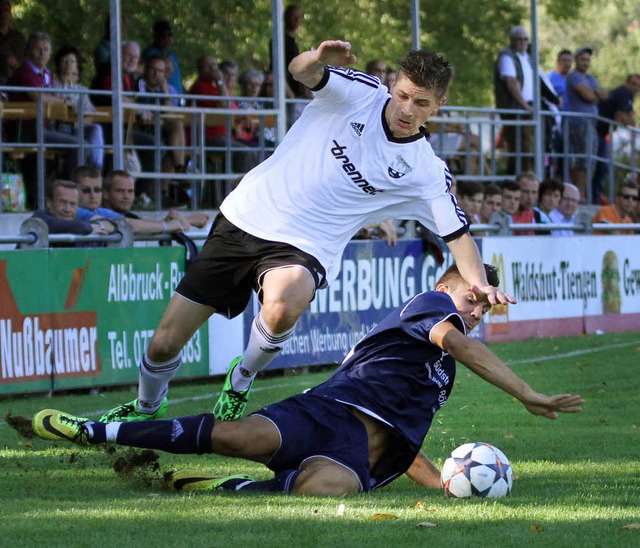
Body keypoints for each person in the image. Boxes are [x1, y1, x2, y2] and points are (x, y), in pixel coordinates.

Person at [95, 40, 514, 428]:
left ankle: (241, 380)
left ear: (438, 106)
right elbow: (301, 72)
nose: (406, 109)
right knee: (165, 344)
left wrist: (479, 287)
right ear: (392, 85)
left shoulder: (425, 170)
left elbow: (459, 237)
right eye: (402, 95)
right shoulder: (360, 93)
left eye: (421, 103)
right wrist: (316, 56)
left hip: (307, 246)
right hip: (247, 216)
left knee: (286, 300)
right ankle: (147, 407)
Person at [32, 263, 583, 496]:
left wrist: (443, 482)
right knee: (235, 437)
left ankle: (228, 489)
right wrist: (527, 393)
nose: (475, 310)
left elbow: (405, 439)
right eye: (472, 296)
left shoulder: (440, 376)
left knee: (323, 490)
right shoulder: (431, 306)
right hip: (327, 411)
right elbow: (461, 342)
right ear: (448, 286)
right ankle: (92, 432)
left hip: (355, 457)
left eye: (482, 306)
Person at [8, 32, 85, 206]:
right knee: (79, 144)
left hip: (45, 128)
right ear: (28, 51)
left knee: (84, 141)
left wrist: (60, 102)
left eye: (46, 49)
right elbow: (41, 97)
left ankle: (66, 193)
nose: (42, 53)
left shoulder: (48, 74)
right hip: (26, 130)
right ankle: (70, 197)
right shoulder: (25, 72)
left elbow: (52, 97)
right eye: (38, 49)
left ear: (50, 53)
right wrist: (65, 102)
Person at [493, 26, 558, 174]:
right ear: (512, 41)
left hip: (528, 109)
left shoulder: (527, 58)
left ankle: (529, 181)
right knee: (522, 150)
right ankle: (519, 183)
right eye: (519, 39)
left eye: (525, 39)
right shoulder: (507, 57)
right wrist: (524, 105)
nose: (523, 42)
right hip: (517, 110)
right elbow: (511, 82)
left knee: (531, 150)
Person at [188, 55, 260, 176]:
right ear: (200, 69)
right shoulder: (201, 86)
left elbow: (227, 108)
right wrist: (220, 81)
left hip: (225, 136)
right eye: (208, 66)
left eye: (214, 65)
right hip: (209, 138)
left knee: (259, 149)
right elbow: (224, 105)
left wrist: (240, 117)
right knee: (245, 153)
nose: (212, 69)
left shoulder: (215, 87)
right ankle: (241, 190)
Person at [135, 55, 187, 205]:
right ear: (146, 69)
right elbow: (141, 104)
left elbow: (172, 113)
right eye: (153, 69)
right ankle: (180, 169)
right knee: (169, 143)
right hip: (142, 127)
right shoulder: (140, 83)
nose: (156, 74)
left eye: (160, 71)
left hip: (158, 128)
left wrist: (164, 90)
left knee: (173, 145)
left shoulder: (165, 89)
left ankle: (162, 193)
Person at [102, 169, 209, 235]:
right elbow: (127, 224)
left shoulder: (132, 216)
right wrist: (188, 220)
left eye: (130, 191)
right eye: (120, 191)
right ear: (105, 193)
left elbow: (144, 226)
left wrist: (168, 222)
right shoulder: (97, 214)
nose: (126, 196)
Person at [566, 47, 608, 202]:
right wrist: (594, 94)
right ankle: (580, 195)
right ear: (576, 60)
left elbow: (604, 95)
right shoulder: (574, 77)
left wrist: (594, 93)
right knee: (583, 160)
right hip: (579, 123)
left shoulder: (590, 78)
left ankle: (583, 193)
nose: (585, 62)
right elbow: (589, 96)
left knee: (590, 161)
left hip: (591, 124)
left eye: (588, 60)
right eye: (583, 59)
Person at [53, 45, 104, 171]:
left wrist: (79, 120)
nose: (69, 64)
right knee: (83, 143)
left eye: (72, 61)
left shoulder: (81, 90)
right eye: (65, 61)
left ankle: (96, 168)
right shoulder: (52, 86)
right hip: (60, 128)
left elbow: (91, 113)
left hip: (78, 127)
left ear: (76, 65)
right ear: (58, 63)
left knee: (96, 129)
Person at [592, 74, 640, 205]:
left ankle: (596, 196)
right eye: (634, 84)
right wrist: (629, 122)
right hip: (598, 131)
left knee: (602, 167)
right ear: (627, 83)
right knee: (598, 166)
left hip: (602, 133)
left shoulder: (627, 95)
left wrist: (630, 119)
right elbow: (621, 117)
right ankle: (594, 197)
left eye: (638, 86)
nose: (636, 88)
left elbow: (630, 115)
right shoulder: (623, 93)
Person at [26, 179, 113, 249]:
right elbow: (66, 226)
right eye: (62, 202)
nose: (67, 209)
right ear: (49, 202)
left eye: (73, 204)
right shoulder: (40, 217)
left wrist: (99, 226)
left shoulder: (77, 218)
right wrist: (91, 228)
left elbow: (114, 225)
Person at [547, 49, 573, 178]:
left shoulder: (574, 79)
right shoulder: (551, 77)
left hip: (572, 122)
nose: (567, 63)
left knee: (568, 155)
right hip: (556, 121)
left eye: (569, 60)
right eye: (564, 60)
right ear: (558, 62)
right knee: (555, 153)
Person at [142, 19, 183, 94]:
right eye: (163, 35)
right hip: (162, 96)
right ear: (156, 36)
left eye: (169, 35)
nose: (167, 38)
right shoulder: (151, 52)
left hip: (177, 97)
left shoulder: (171, 54)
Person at [511, 171, 539, 235]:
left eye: (534, 192)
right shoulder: (504, 217)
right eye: (526, 192)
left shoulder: (540, 217)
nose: (530, 197)